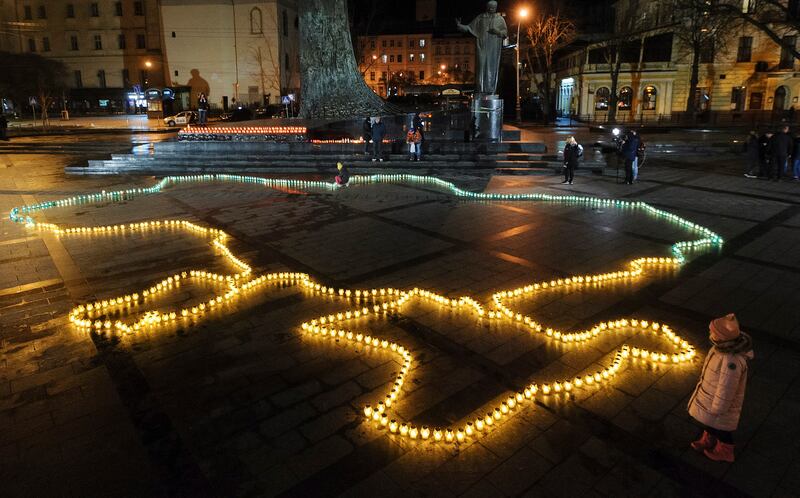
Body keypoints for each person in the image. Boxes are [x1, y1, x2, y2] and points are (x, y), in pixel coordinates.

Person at [688, 313, 753, 463]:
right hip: (711, 396)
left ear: (722, 337)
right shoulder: (720, 348)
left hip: (721, 403)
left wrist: (719, 407)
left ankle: (726, 451)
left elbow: (727, 387)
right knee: (710, 422)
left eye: (713, 332)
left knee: (722, 428)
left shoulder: (731, 361)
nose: (710, 333)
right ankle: (709, 438)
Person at [456, 1, 507, 95]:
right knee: (481, 65)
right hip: (482, 46)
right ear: (487, 7)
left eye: (494, 7)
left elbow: (505, 33)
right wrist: (460, 26)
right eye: (491, 7)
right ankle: (481, 89)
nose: (492, 9)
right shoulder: (480, 18)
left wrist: (497, 32)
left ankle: (491, 90)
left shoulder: (500, 19)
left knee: (491, 68)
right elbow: (469, 27)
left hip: (493, 49)